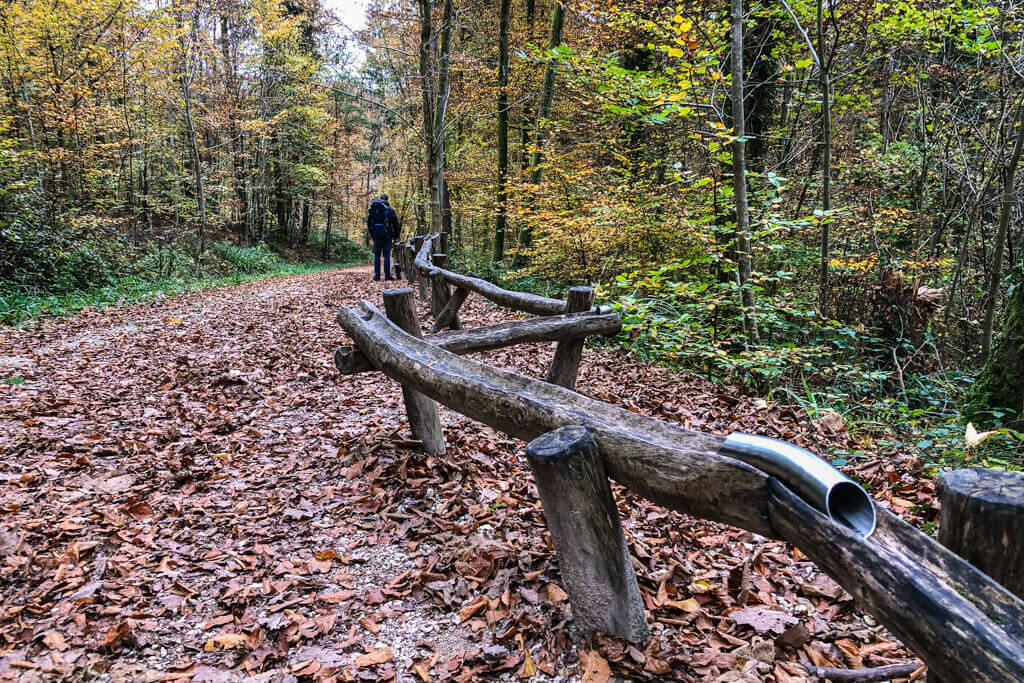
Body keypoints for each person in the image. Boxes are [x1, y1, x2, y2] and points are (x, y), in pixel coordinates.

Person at [367, 193, 399, 280]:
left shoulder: (373, 209)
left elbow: (369, 223)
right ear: (387, 200)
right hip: (387, 236)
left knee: (377, 256)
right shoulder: (390, 210)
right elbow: (395, 224)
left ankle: (377, 276)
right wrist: (396, 236)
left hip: (376, 236)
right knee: (387, 255)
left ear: (380, 199)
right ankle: (387, 276)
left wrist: (372, 234)